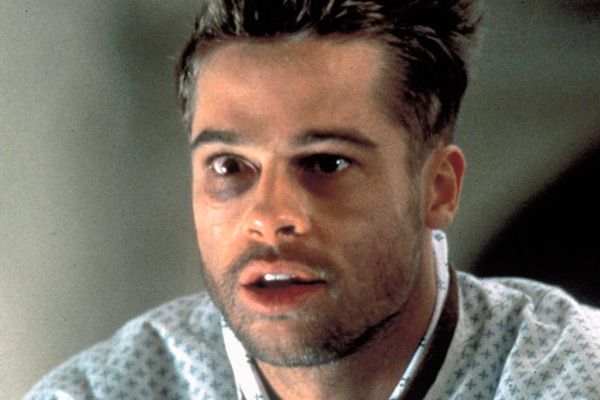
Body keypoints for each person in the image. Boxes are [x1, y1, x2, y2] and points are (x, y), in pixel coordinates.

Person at [26, 1, 600, 399]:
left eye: (326, 163)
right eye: (229, 166)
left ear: (438, 189)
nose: (269, 218)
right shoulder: (101, 393)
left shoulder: (572, 376)